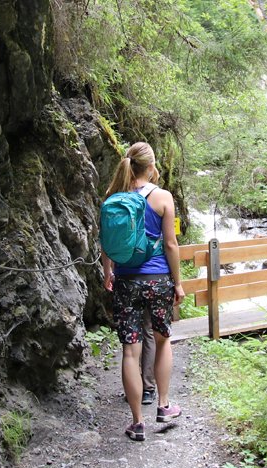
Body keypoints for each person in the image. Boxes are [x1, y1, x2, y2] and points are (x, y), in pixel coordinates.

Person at [101, 142, 184, 441]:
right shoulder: (162, 197)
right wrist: (178, 283)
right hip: (158, 279)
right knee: (162, 341)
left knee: (130, 351)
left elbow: (106, 242)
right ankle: (163, 405)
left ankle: (137, 423)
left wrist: (107, 272)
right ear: (150, 166)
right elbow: (171, 244)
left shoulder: (113, 198)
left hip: (125, 280)